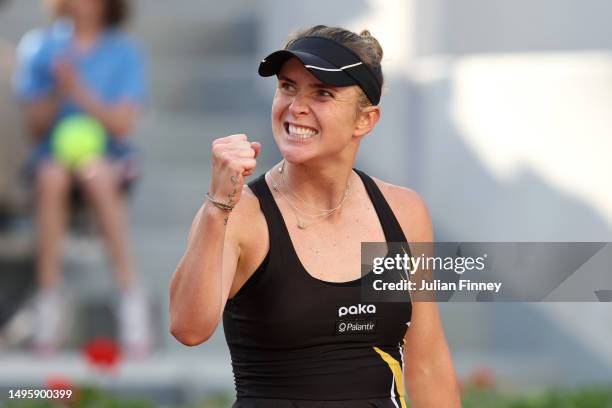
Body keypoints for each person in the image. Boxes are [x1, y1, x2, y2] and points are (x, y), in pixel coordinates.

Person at [170, 25, 460, 407]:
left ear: (365, 120)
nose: (296, 106)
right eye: (288, 86)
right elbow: (188, 328)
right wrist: (216, 207)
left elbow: (427, 363)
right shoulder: (239, 213)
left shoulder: (404, 212)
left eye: (322, 93)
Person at [12, 0, 151, 356]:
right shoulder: (41, 47)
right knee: (51, 177)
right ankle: (49, 299)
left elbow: (122, 124)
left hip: (107, 159)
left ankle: (128, 296)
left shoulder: (124, 52)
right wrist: (59, 89)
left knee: (98, 177)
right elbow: (36, 126)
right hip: (52, 157)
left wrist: (79, 90)